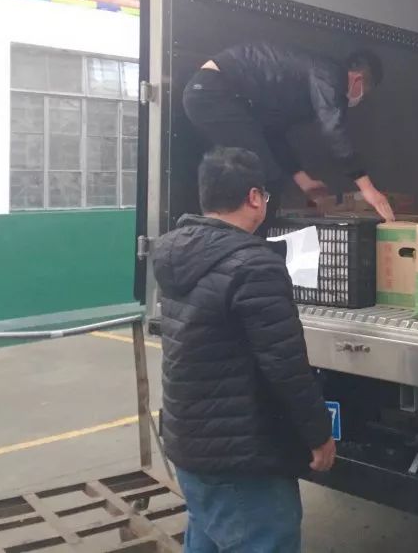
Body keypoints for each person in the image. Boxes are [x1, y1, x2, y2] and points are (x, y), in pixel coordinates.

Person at [153, 147, 335, 553]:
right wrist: (319, 434)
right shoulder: (254, 265)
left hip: (192, 444)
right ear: (254, 197)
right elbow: (286, 366)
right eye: (265, 196)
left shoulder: (175, 251)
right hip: (243, 458)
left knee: (208, 537)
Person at [183, 42, 394, 233]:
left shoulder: (296, 85)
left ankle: (240, 241)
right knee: (264, 177)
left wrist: (304, 180)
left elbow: (272, 134)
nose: (359, 99)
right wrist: (367, 188)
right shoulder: (329, 74)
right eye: (364, 92)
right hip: (214, 91)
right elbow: (333, 130)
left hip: (210, 92)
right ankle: (252, 248)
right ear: (358, 79)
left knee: (260, 173)